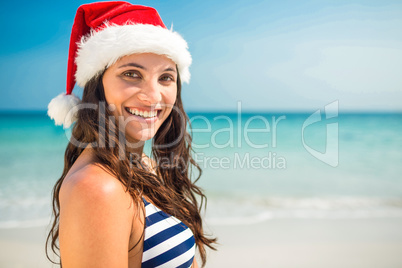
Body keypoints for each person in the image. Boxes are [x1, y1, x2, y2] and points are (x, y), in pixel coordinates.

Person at [46, 2, 216, 267]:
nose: (153, 96)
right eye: (132, 74)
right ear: (97, 85)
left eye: (166, 77)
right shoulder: (97, 189)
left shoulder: (142, 166)